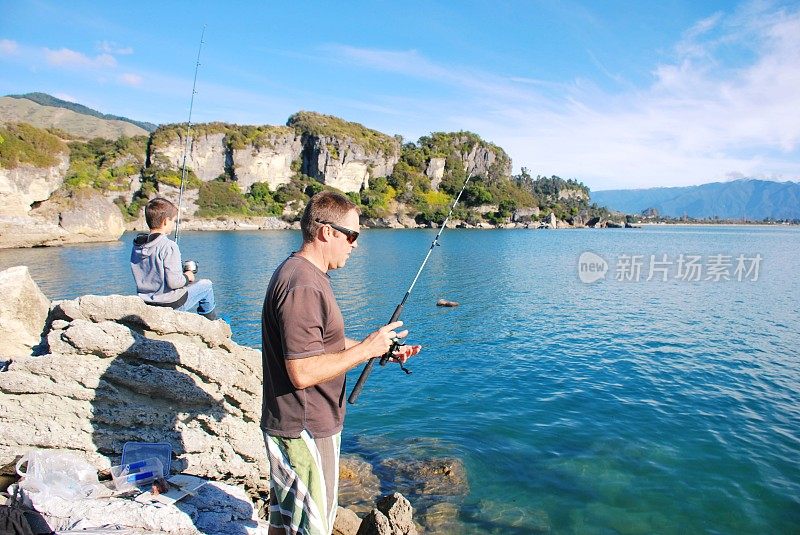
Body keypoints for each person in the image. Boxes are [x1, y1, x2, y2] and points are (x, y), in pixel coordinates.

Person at [261, 191, 421, 535]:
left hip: (301, 424)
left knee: (286, 524)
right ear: (326, 231)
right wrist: (364, 351)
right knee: (312, 528)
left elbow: (322, 346)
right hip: (304, 427)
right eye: (352, 235)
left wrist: (379, 348)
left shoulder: (306, 275)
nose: (355, 244)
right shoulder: (302, 284)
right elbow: (302, 372)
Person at [130, 197, 218, 319]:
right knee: (206, 285)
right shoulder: (169, 246)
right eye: (173, 221)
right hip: (169, 303)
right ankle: (212, 323)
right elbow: (174, 283)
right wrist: (188, 276)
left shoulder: (137, 245)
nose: (173, 224)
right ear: (166, 221)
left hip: (147, 301)